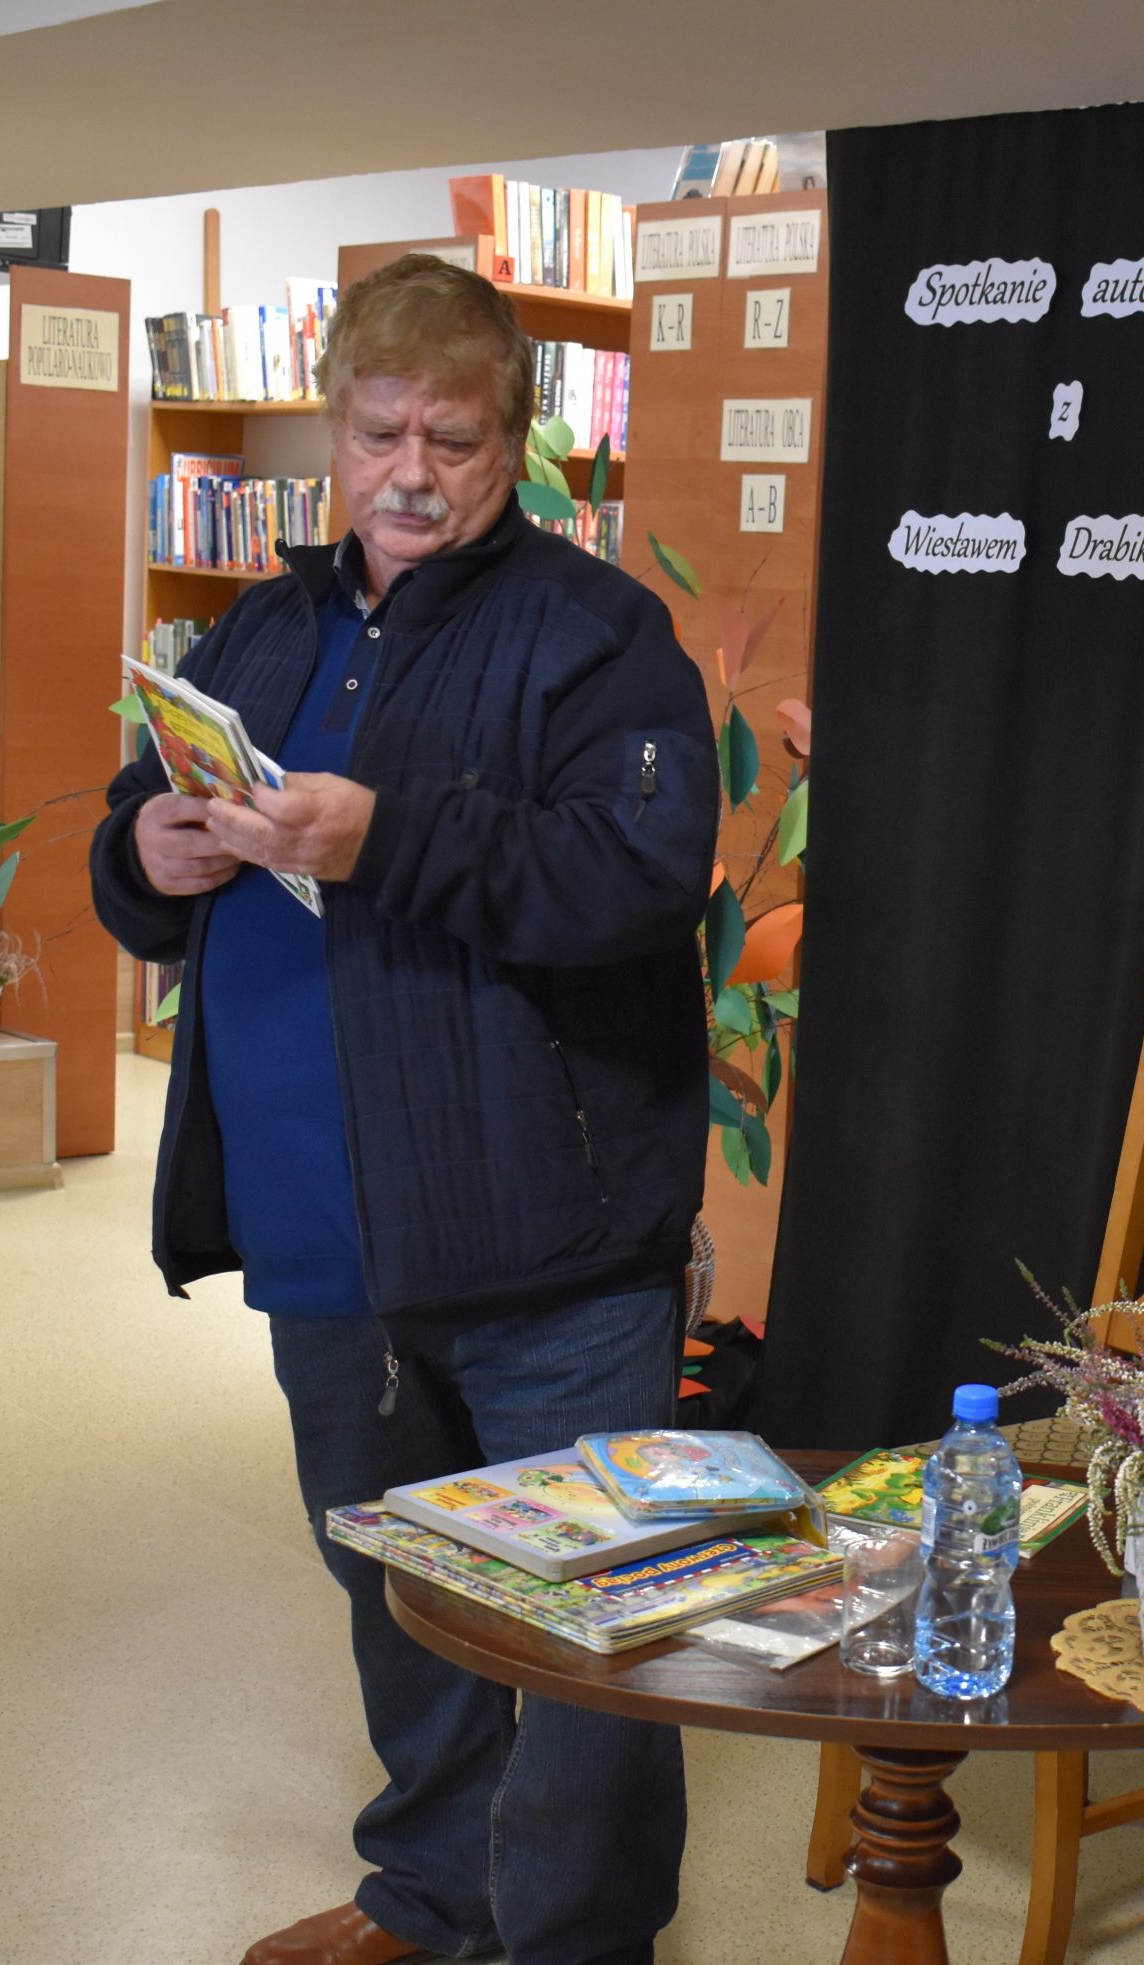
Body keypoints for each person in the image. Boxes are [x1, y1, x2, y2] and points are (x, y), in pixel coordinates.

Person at [90, 254, 720, 1965]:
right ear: (339, 427)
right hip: (320, 1232)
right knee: (398, 1596)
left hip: (553, 1249)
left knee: (584, 1634)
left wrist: (392, 838)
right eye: (378, 434)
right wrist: (138, 857)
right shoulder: (266, 621)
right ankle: (433, 1900)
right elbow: (147, 819)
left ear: (514, 442)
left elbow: (642, 877)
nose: (409, 474)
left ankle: (574, 1941)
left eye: (450, 437)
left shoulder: (600, 638)